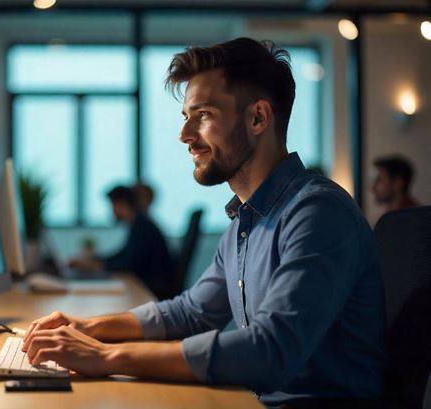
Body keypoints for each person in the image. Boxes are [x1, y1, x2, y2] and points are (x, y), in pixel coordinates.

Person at [22, 38, 385, 408]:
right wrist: (86, 328)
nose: (185, 136)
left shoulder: (317, 213)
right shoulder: (244, 224)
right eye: (185, 118)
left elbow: (270, 351)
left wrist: (105, 357)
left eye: (204, 115)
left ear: (258, 118)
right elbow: (190, 313)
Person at [68, 185, 176, 299]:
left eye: (113, 206)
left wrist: (98, 265)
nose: (112, 211)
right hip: (148, 285)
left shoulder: (143, 226)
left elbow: (130, 263)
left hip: (153, 289)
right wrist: (96, 260)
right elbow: (123, 254)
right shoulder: (138, 223)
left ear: (122, 204)